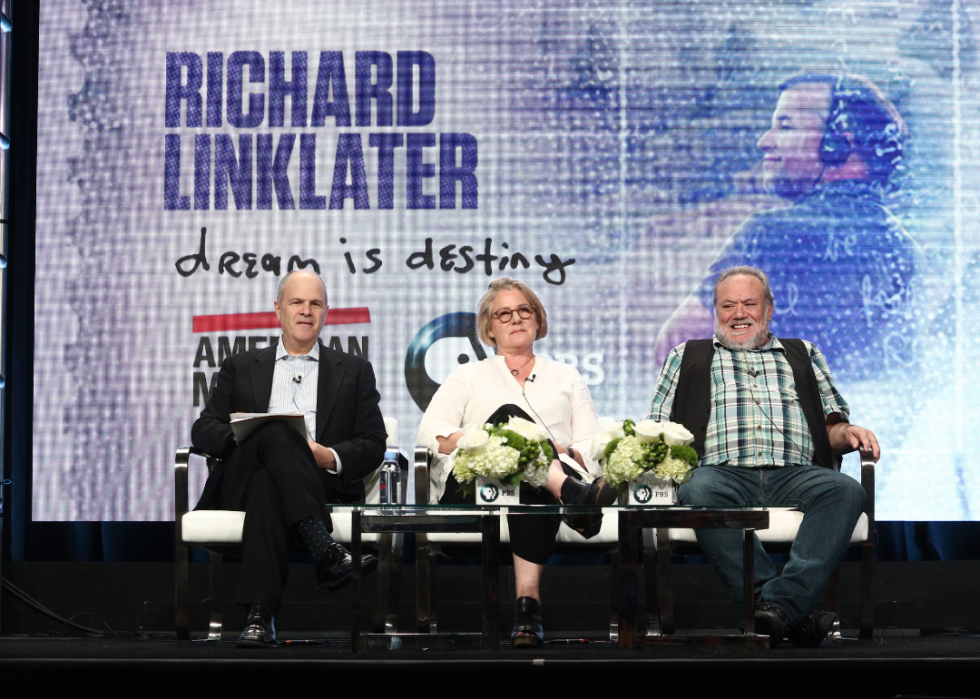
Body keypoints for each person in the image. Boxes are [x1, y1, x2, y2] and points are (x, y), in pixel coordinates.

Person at [647, 266, 880, 648]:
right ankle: (787, 612)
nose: (739, 313)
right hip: (721, 475)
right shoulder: (686, 355)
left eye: (749, 304)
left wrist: (849, 433)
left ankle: (771, 608)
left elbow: (831, 428)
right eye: (728, 305)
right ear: (716, 312)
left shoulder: (802, 352)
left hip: (795, 473)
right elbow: (656, 426)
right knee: (697, 487)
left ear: (769, 309)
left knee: (846, 491)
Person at [654, 72, 922, 382]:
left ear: (837, 144)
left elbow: (677, 348)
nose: (764, 141)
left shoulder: (771, 235)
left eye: (785, 126)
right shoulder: (905, 248)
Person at [417, 277, 617, 649]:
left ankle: (527, 606)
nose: (515, 319)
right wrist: (486, 441)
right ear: (489, 328)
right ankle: (572, 495)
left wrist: (558, 453)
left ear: (538, 320)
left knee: (530, 477)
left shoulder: (566, 377)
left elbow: (590, 445)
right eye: (503, 313)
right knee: (511, 418)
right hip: (476, 486)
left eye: (524, 310)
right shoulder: (468, 375)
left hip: (537, 487)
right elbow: (430, 431)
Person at [192, 270, 387, 647]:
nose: (305, 311)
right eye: (297, 302)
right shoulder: (242, 366)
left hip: (316, 483)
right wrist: (250, 437)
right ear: (278, 309)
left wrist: (328, 455)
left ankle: (260, 617)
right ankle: (323, 547)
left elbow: (373, 442)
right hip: (241, 479)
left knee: (271, 484)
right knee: (278, 431)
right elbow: (203, 430)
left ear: (326, 312)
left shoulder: (354, 371)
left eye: (315, 303)